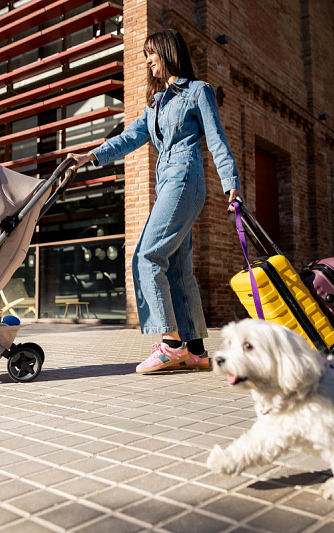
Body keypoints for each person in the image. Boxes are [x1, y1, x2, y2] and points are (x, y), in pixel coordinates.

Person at [67, 29, 241, 374]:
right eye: (145, 55)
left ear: (168, 52)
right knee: (177, 268)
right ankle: (194, 350)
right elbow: (127, 138)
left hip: (184, 178)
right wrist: (90, 156)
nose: (147, 61)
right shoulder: (156, 104)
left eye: (151, 53)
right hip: (169, 186)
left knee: (147, 256)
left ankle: (171, 344)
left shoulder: (198, 91)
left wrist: (230, 181)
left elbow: (216, 138)